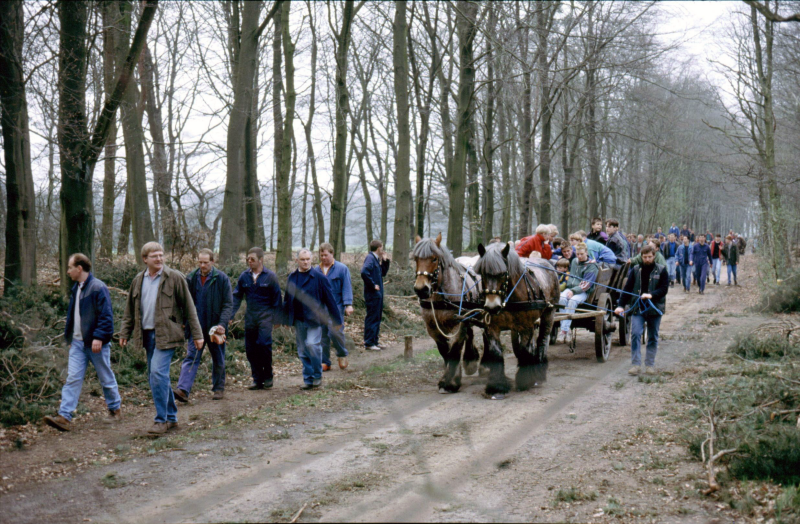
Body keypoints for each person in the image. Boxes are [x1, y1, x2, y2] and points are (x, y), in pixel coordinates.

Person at [120, 242, 203, 435]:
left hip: (167, 334)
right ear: (145, 259)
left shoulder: (174, 277)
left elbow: (190, 308)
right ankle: (172, 418)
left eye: (161, 255)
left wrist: (197, 335)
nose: (159, 259)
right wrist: (125, 332)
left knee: (157, 373)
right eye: (154, 256)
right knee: (158, 377)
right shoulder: (138, 280)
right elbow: (129, 311)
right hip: (146, 335)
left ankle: (161, 420)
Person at [44, 254, 120, 432]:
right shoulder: (76, 288)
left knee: (105, 377)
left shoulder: (98, 288)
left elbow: (106, 317)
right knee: (73, 378)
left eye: (70, 267)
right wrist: (70, 337)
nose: (68, 271)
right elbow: (73, 316)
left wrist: (99, 337)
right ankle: (64, 416)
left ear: (79, 268)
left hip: (95, 344)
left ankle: (115, 409)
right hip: (78, 344)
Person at [173, 249, 233, 403]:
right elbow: (184, 303)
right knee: (191, 356)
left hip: (215, 328)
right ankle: (183, 390)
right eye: (200, 262)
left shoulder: (222, 279)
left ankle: (218, 388)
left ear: (212, 262)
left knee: (218, 357)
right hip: (196, 327)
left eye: (206, 262)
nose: (202, 265)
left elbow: (228, 304)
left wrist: (222, 324)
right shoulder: (191, 278)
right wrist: (184, 322)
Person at [284, 249, 344, 390]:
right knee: (303, 350)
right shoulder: (292, 277)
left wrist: (336, 320)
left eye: (307, 259)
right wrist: (286, 318)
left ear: (312, 260)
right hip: (298, 319)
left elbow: (330, 300)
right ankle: (308, 379)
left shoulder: (319, 278)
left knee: (312, 345)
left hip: (315, 319)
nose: (305, 262)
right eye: (302, 259)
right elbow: (287, 300)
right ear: (297, 260)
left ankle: (317, 375)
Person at [231, 247, 283, 391]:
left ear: (261, 260)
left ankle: (268, 376)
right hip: (251, 317)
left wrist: (278, 318)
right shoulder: (244, 277)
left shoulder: (270, 276)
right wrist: (230, 316)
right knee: (250, 348)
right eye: (248, 259)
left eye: (252, 259)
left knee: (264, 344)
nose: (249, 261)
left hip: (265, 316)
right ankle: (257, 378)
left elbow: (277, 298)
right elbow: (236, 297)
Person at [615, 245, 668, 376]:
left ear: (654, 256)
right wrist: (620, 305)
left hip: (655, 309)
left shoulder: (662, 270)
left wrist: (652, 295)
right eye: (645, 257)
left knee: (653, 337)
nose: (647, 259)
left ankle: (649, 365)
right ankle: (635, 364)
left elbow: (664, 289)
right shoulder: (635, 270)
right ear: (641, 257)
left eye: (650, 257)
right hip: (638, 308)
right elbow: (627, 289)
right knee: (635, 333)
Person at [318, 243, 354, 371]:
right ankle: (325, 361)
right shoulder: (317, 270)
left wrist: (348, 304)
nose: (323, 258)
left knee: (335, 332)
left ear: (332, 254)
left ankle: (342, 354)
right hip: (321, 308)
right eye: (321, 255)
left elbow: (347, 287)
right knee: (323, 334)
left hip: (336, 306)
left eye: (326, 255)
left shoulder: (342, 269)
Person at [556, 243, 598, 344]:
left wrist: (574, 291)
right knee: (561, 299)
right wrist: (569, 289)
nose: (579, 256)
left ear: (586, 253)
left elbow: (586, 284)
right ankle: (566, 330)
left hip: (582, 292)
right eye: (578, 254)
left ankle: (563, 331)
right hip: (569, 288)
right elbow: (570, 278)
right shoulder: (574, 261)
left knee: (572, 301)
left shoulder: (592, 266)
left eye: (581, 254)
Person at [361, 239, 391, 351]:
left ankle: (374, 341)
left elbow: (382, 273)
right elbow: (364, 272)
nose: (382, 250)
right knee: (372, 317)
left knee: (377, 317)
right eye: (382, 247)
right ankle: (369, 343)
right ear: (378, 248)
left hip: (377, 294)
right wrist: (373, 285)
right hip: (372, 294)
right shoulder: (370, 258)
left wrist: (385, 261)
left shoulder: (375, 259)